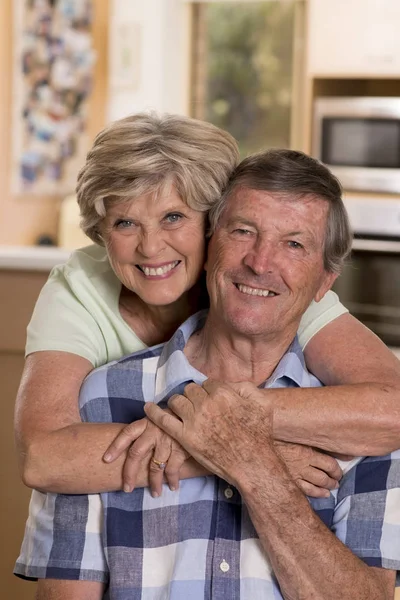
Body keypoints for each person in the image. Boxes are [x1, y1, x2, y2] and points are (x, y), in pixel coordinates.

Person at [19, 149, 400, 599]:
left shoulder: (360, 427)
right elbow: (43, 457)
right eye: (243, 231)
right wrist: (213, 443)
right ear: (209, 245)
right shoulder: (95, 403)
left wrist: (247, 455)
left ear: (323, 282)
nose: (261, 262)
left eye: (294, 244)